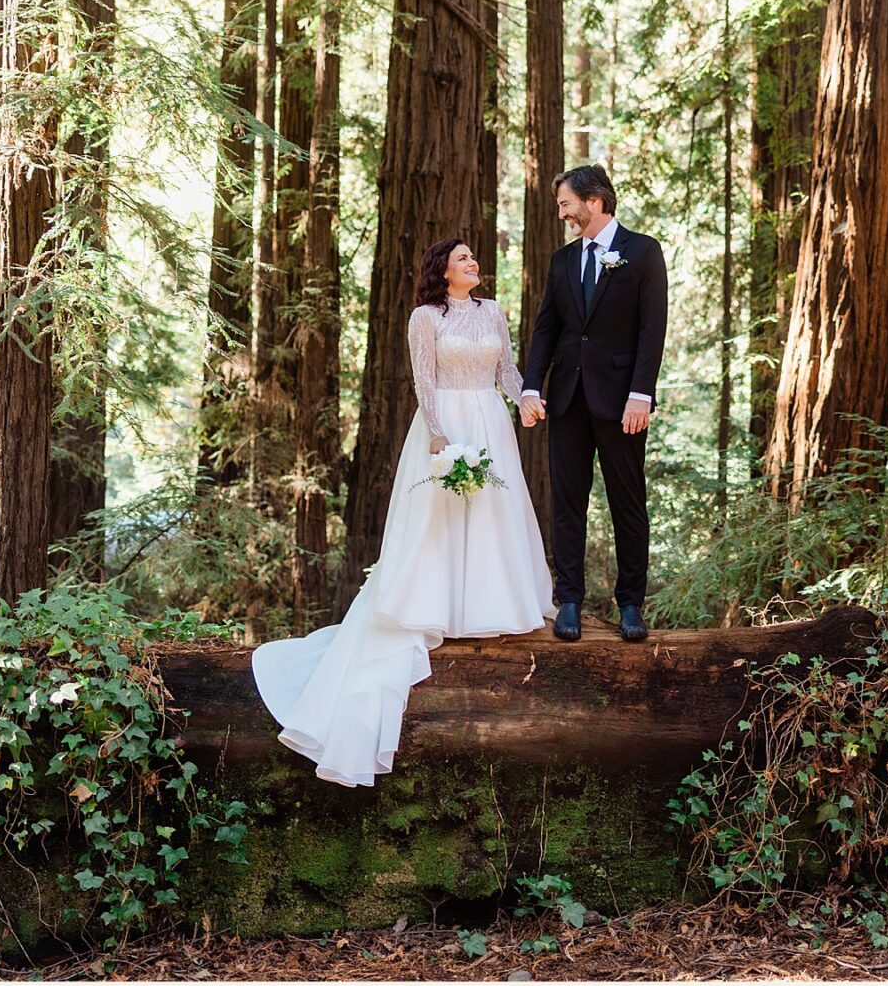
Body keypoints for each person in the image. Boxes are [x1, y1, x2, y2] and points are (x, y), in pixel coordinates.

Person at [251, 239, 556, 787]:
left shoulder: (493, 312)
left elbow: (508, 369)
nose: (473, 264)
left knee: (493, 516)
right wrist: (440, 437)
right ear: (442, 270)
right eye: (464, 258)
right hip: (446, 425)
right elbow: (424, 380)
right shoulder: (423, 317)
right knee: (438, 524)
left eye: (473, 258)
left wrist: (525, 399)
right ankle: (439, 607)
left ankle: (489, 606)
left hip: (490, 421)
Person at [519, 164, 669, 644]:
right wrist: (530, 386)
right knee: (567, 502)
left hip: (623, 403)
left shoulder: (643, 252)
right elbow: (547, 328)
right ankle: (569, 601)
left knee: (627, 501)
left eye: (566, 204)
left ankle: (630, 604)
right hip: (566, 400)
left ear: (595, 201)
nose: (561, 213)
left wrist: (640, 395)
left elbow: (652, 329)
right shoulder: (562, 261)